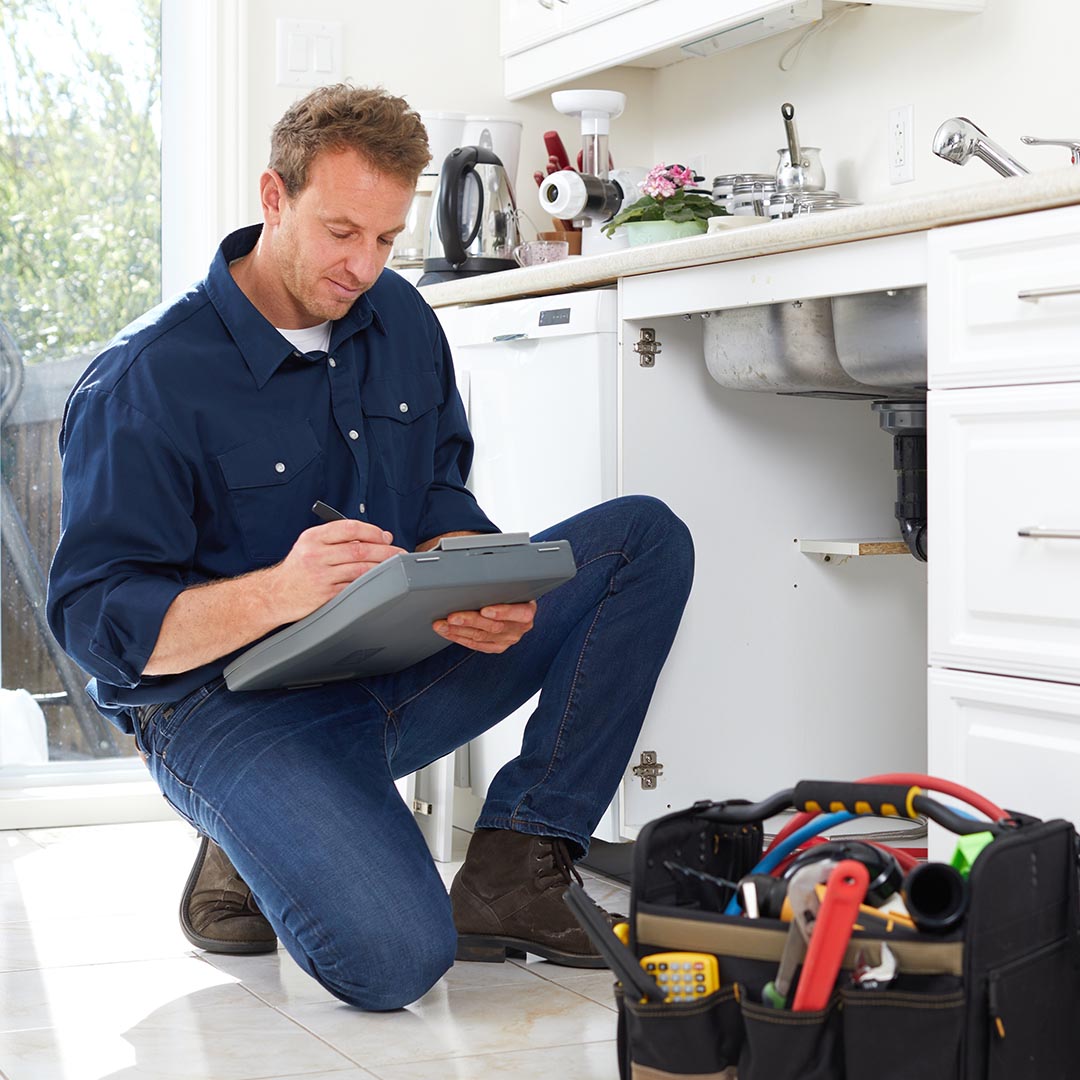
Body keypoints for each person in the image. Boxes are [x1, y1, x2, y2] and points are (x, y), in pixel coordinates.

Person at [46, 83, 694, 1011]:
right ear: (274, 198)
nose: (364, 266)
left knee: (643, 539)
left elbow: (437, 485)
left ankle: (517, 864)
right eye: (341, 232)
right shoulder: (145, 380)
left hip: (395, 663)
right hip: (228, 706)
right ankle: (251, 823)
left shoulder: (400, 319)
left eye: (387, 239)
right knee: (394, 964)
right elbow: (96, 628)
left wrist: (473, 568)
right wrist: (282, 590)